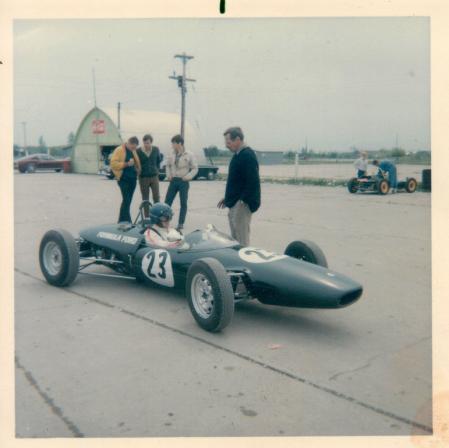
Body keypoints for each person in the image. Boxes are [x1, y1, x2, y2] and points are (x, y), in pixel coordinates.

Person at [217, 126, 261, 246]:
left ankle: (245, 263)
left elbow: (252, 182)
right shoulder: (237, 155)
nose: (226, 145)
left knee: (242, 240)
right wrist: (228, 197)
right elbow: (237, 182)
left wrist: (243, 201)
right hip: (234, 202)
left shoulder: (247, 155)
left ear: (237, 139)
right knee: (235, 239)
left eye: (228, 142)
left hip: (242, 205)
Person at [164, 134, 198, 232]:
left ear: (180, 143)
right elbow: (167, 165)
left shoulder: (189, 154)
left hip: (183, 181)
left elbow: (195, 168)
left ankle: (180, 223)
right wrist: (168, 175)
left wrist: (188, 177)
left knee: (183, 203)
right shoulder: (171, 154)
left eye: (174, 143)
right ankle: (165, 222)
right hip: (174, 180)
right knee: (167, 202)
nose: (172, 145)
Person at [110, 136, 141, 223]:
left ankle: (121, 221)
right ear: (128, 143)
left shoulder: (133, 151)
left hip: (133, 179)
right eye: (132, 147)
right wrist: (126, 164)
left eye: (135, 147)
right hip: (123, 179)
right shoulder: (119, 150)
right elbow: (113, 164)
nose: (133, 149)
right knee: (126, 200)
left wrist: (137, 169)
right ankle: (127, 221)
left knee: (128, 201)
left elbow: (136, 163)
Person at [136, 134, 162, 217]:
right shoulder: (138, 151)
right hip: (143, 178)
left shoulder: (156, 149)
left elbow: (158, 161)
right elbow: (136, 163)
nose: (146, 145)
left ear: (151, 142)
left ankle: (157, 215)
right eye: (145, 143)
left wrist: (156, 170)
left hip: (154, 176)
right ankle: (147, 217)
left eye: (148, 143)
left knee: (156, 197)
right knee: (145, 198)